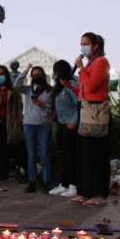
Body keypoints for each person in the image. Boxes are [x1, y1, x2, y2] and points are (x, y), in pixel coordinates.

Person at [71, 33, 111, 207]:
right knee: (84, 153)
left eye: (85, 43)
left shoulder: (101, 62)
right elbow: (84, 89)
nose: (82, 46)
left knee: (96, 153)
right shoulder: (89, 64)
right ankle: (84, 191)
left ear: (95, 45)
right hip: (85, 109)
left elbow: (93, 86)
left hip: (96, 110)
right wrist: (70, 86)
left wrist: (80, 68)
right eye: (81, 43)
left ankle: (98, 193)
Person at [14, 64, 53, 193]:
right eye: (34, 74)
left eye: (39, 74)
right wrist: (25, 70)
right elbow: (16, 85)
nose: (36, 76)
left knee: (44, 154)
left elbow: (53, 108)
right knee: (31, 155)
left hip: (44, 125)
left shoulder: (50, 90)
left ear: (43, 75)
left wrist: (43, 105)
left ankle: (46, 182)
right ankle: (32, 182)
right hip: (29, 125)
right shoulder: (28, 90)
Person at [49, 60, 79, 197]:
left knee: (72, 155)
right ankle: (64, 183)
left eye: (56, 71)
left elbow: (79, 104)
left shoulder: (71, 84)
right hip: (60, 123)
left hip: (71, 125)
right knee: (62, 154)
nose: (54, 74)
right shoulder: (58, 86)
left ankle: (74, 185)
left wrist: (73, 121)